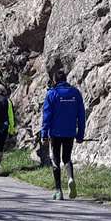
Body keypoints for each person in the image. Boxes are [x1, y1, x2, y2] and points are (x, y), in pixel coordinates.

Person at [40, 68, 86, 200]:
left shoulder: (52, 94)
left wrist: (44, 134)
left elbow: (47, 115)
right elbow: (81, 115)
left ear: (55, 80)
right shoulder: (75, 93)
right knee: (67, 157)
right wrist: (80, 134)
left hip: (55, 132)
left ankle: (58, 190)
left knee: (55, 159)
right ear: (65, 79)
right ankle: (70, 178)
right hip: (70, 132)